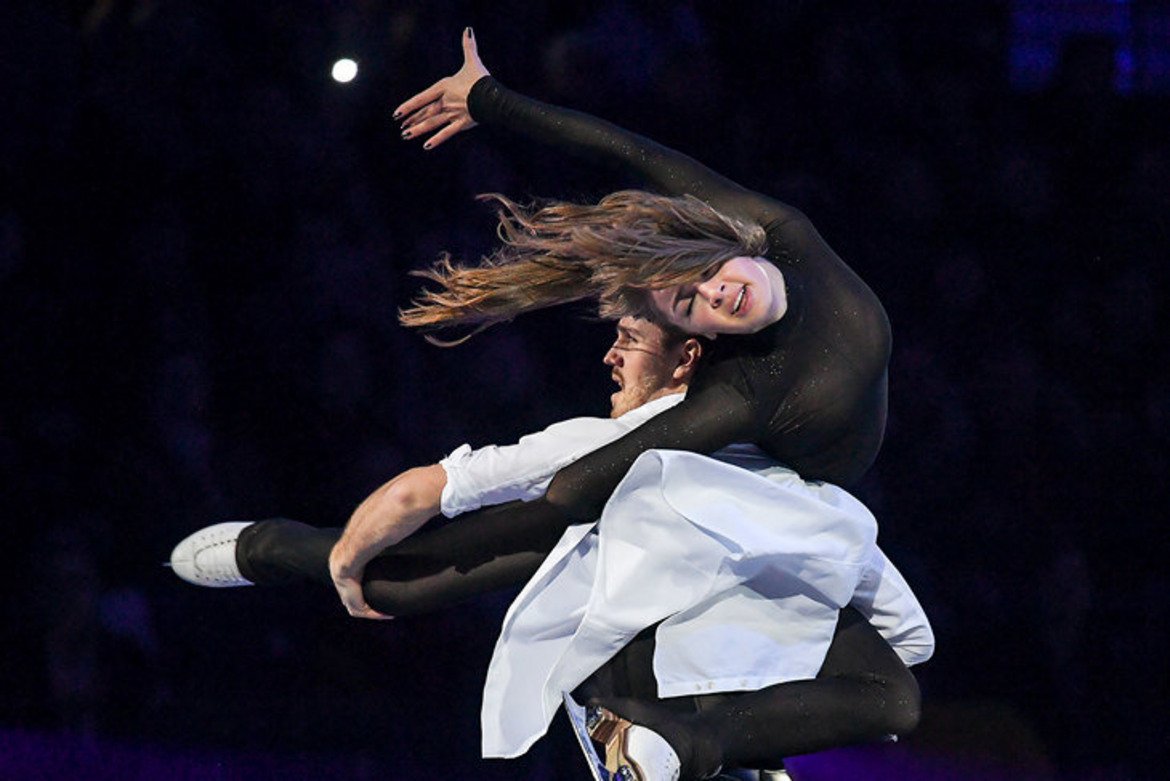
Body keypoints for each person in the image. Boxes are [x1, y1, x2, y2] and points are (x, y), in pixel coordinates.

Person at [173, 316, 931, 780]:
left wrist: (850, 649)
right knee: (399, 580)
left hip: (703, 687)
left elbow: (879, 601)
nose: (609, 357)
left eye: (628, 341)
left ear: (687, 359)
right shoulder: (601, 441)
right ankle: (268, 547)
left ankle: (688, 744)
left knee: (891, 694)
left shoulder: (770, 472)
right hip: (629, 645)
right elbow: (424, 492)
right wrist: (338, 559)